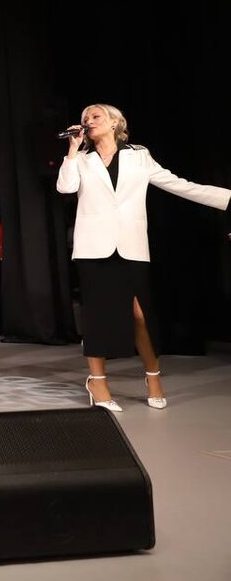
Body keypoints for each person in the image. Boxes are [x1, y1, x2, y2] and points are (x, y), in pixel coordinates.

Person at [56, 103, 230, 411]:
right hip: (93, 246)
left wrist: (226, 198)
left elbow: (177, 184)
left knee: (140, 316)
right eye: (85, 118)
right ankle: (97, 382)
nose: (89, 121)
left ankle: (153, 376)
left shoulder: (139, 155)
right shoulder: (81, 160)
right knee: (97, 317)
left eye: (96, 116)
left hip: (131, 245)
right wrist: (72, 150)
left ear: (115, 123)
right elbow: (65, 187)